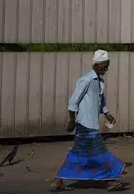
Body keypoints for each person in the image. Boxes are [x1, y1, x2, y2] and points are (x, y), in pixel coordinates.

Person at [50, 50, 128, 192]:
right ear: (97, 65)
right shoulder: (85, 80)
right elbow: (73, 102)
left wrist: (107, 114)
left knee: (77, 155)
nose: (107, 69)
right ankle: (110, 181)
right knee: (101, 153)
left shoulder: (99, 82)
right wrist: (72, 120)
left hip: (91, 125)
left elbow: (100, 101)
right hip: (84, 125)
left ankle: (58, 180)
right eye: (105, 65)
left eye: (107, 65)